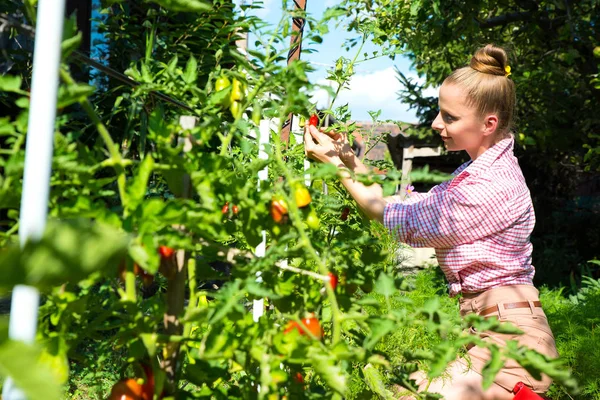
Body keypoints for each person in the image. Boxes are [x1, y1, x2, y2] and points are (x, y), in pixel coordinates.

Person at [303, 44, 559, 400]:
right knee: (405, 390)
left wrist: (333, 165)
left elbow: (393, 218)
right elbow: (407, 205)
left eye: (450, 117)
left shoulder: (490, 185)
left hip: (513, 348)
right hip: (496, 334)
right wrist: (348, 159)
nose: (437, 123)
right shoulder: (475, 173)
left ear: (489, 124)